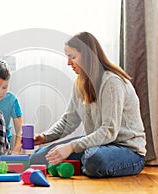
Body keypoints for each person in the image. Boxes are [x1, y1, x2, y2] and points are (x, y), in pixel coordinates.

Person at [29, 32, 146, 178]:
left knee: (93, 159)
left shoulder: (111, 82)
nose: (68, 63)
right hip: (99, 146)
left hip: (127, 150)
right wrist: (45, 137)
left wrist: (71, 147)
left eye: (72, 57)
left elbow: (109, 130)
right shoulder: (80, 83)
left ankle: (83, 165)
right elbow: (68, 121)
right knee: (39, 158)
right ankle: (81, 165)